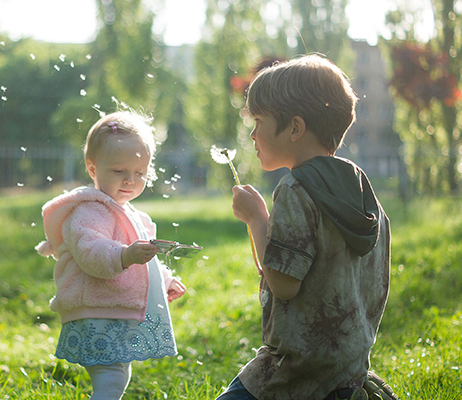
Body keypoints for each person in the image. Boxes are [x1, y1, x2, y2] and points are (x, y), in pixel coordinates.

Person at [217, 54, 394, 400]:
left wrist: (257, 218)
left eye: (258, 121)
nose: (252, 135)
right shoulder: (361, 190)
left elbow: (283, 283)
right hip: (347, 367)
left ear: (295, 128)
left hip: (295, 370)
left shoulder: (296, 189)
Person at [36, 110, 186, 400]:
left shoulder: (134, 215)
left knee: (118, 373)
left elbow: (145, 257)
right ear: (93, 169)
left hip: (110, 310)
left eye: (140, 173)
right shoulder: (89, 211)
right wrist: (126, 255)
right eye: (119, 171)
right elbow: (91, 252)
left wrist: (164, 279)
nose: (130, 180)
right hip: (95, 309)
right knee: (112, 374)